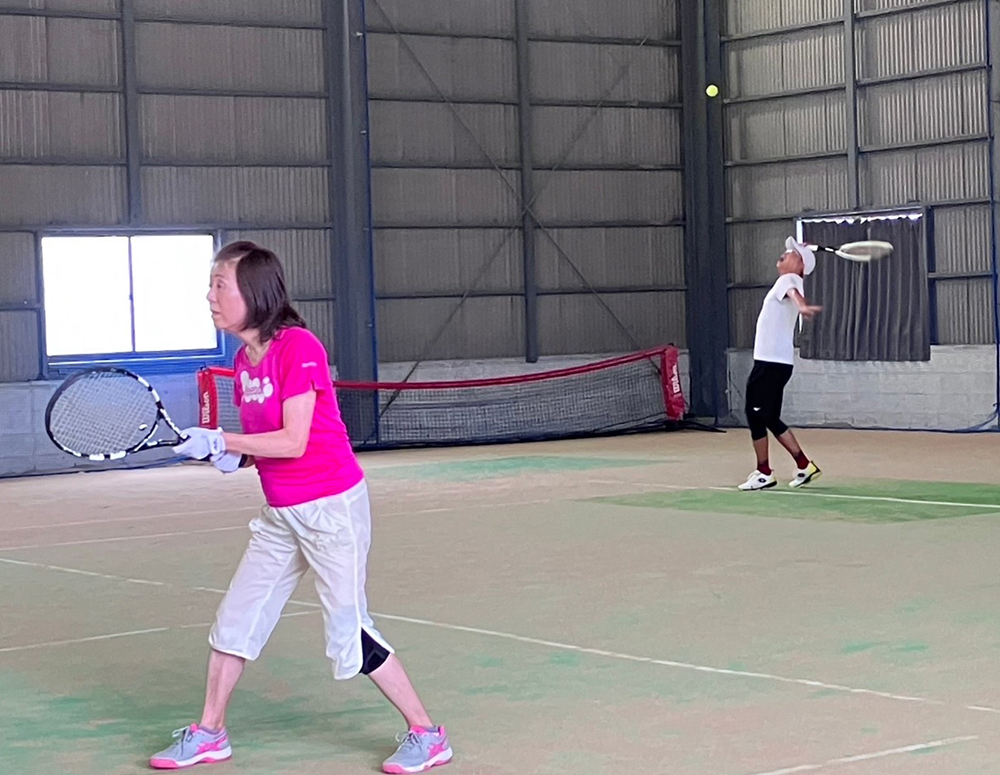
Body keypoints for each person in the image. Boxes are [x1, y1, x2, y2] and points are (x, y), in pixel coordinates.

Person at [151, 241, 452, 774]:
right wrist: (228, 456)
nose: (210, 296)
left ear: (254, 292)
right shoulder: (243, 362)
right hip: (281, 514)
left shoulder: (298, 347)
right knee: (236, 619)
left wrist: (224, 439)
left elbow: (294, 440)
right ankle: (210, 733)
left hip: (331, 509)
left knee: (349, 630)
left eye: (220, 285)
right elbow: (264, 446)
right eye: (211, 285)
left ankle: (427, 735)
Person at [738, 237, 823, 491]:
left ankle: (764, 473)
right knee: (769, 416)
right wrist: (801, 305)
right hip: (779, 363)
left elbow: (794, 295)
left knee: (754, 414)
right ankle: (804, 465)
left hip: (769, 362)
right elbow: (794, 295)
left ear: (800, 264)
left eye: (792, 253)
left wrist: (802, 306)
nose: (785, 253)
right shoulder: (791, 280)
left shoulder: (788, 280)